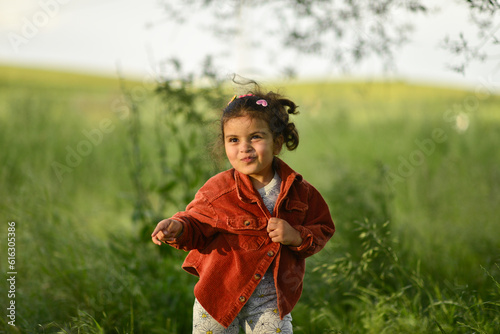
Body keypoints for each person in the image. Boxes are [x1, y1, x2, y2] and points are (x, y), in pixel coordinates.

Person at [151, 85, 335, 333]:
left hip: (269, 303)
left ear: (277, 142)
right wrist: (178, 227)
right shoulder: (218, 189)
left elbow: (323, 227)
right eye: (234, 140)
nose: (244, 147)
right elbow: (196, 222)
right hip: (218, 296)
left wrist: (297, 236)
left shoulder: (300, 193)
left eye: (255, 137)